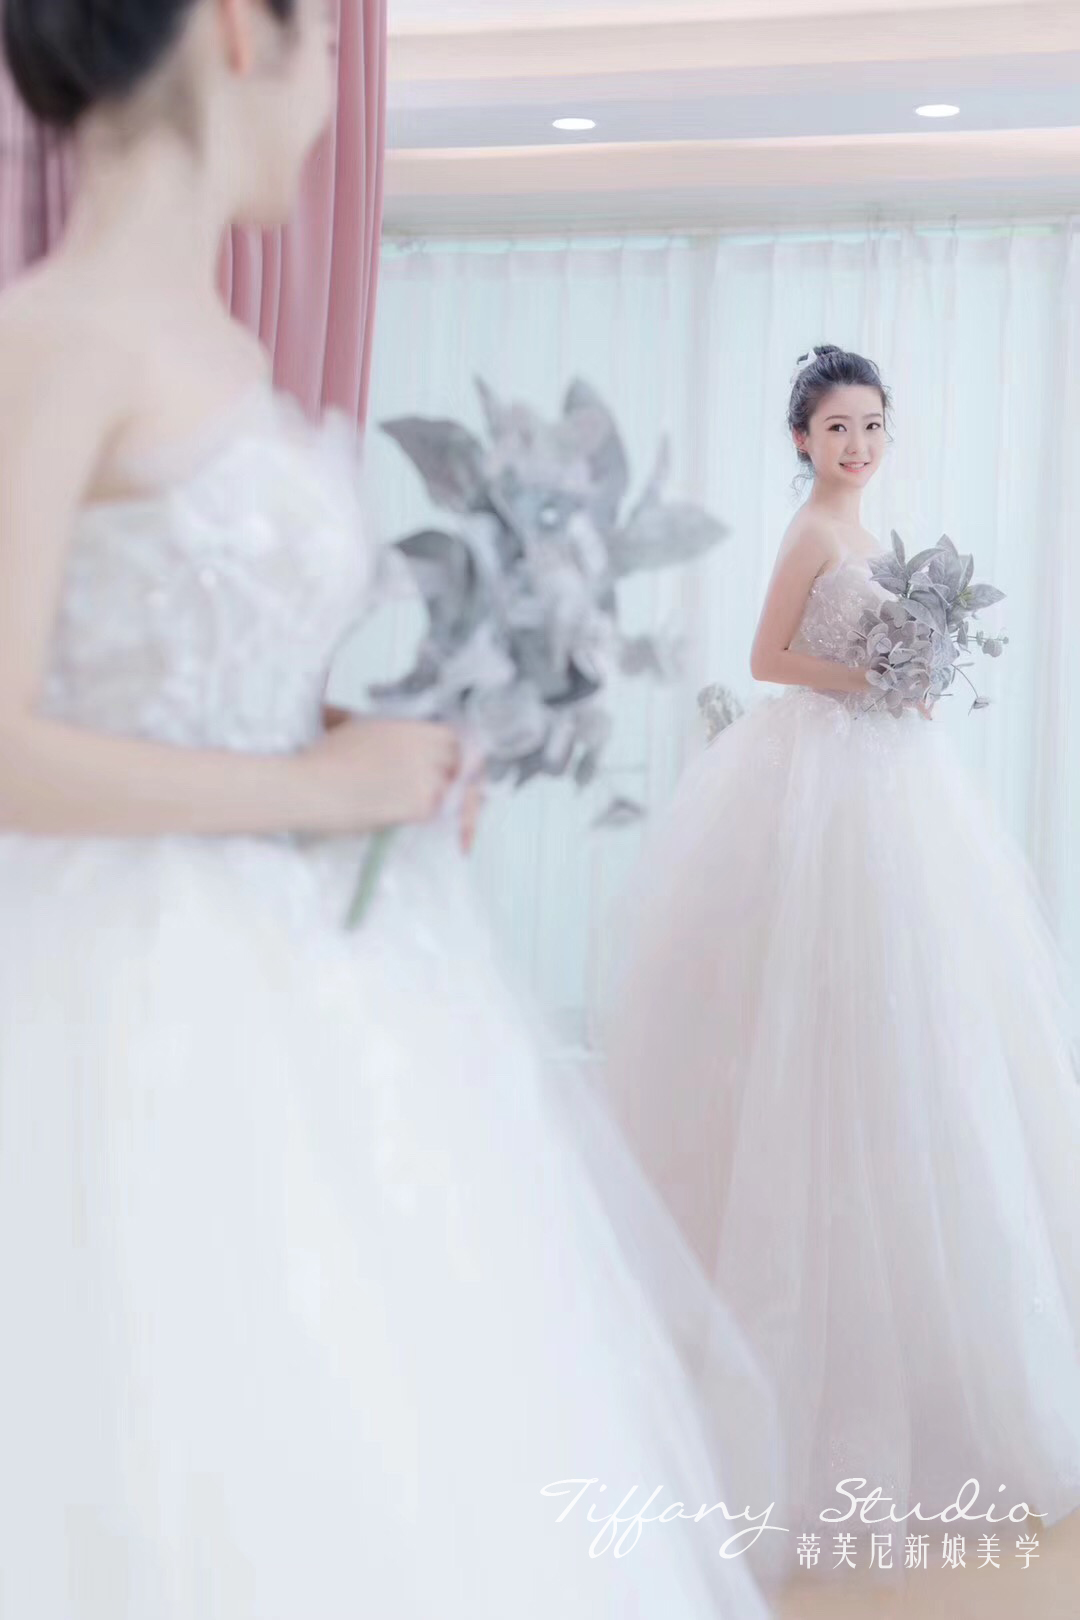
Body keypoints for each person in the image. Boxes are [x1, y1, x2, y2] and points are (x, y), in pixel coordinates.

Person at [0, 1, 777, 1614]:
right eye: (334, 60)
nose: (327, 109)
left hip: (306, 981)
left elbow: (159, 678)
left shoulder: (225, 352)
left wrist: (361, 745)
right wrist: (306, 783)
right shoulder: (51, 341)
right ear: (238, 32)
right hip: (113, 993)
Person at [603, 344, 1080, 1559]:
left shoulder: (871, 530)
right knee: (808, 1016)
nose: (857, 445)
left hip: (892, 780)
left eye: (872, 426)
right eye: (836, 428)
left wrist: (910, 671)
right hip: (819, 777)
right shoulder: (814, 530)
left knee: (924, 1029)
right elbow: (767, 659)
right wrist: (876, 669)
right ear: (801, 440)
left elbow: (878, 662)